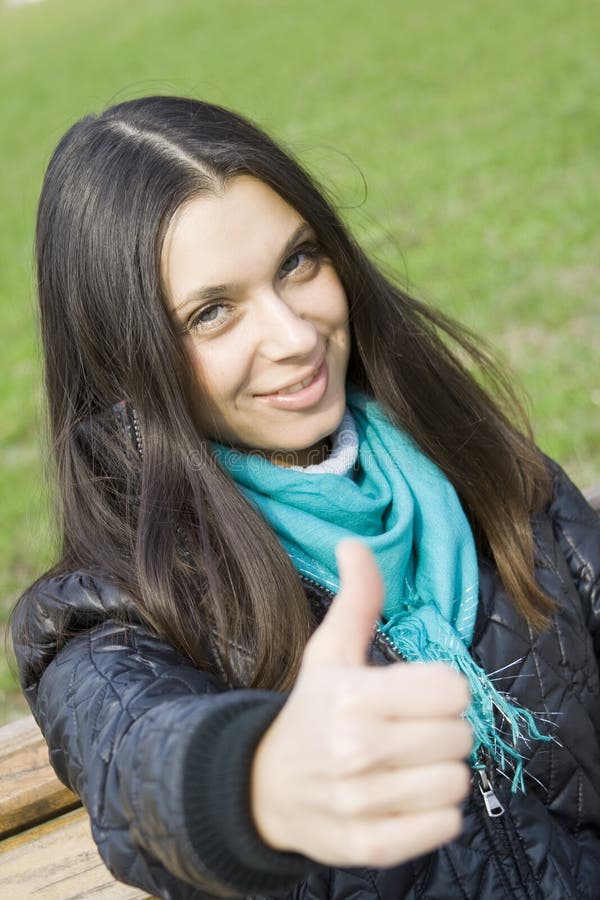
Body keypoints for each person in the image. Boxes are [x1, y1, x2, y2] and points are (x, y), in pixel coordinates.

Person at [10, 95, 600, 900]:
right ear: (124, 362)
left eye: (297, 262)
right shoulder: (105, 616)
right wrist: (258, 783)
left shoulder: (482, 467)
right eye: (212, 313)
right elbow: (139, 763)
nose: (294, 336)